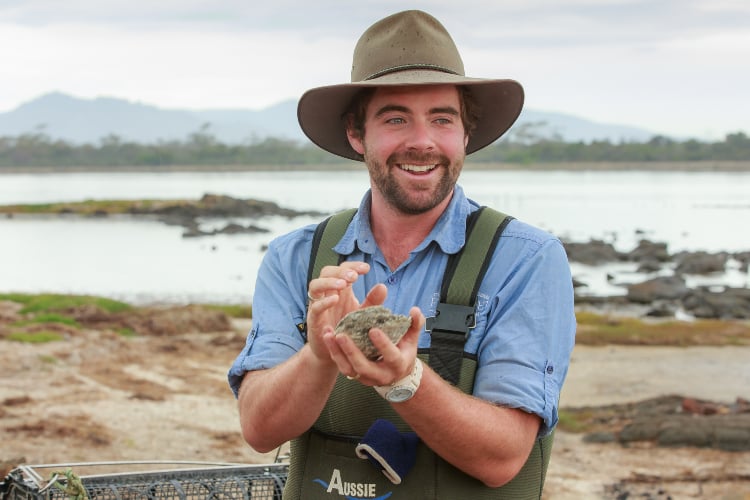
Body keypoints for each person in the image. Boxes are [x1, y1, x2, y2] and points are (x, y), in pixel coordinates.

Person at [228, 9, 576, 499]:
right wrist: (321, 353)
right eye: (396, 118)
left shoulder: (527, 259)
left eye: (442, 118)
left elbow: (502, 458)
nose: (422, 141)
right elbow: (260, 430)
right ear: (356, 134)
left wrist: (405, 379)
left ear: (465, 134)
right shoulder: (295, 258)